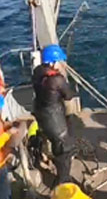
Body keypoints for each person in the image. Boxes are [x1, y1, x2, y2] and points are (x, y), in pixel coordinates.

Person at [32, 44, 77, 185]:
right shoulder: (57, 79)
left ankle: (42, 155)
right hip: (54, 117)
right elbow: (68, 95)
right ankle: (63, 181)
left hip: (40, 112)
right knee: (64, 149)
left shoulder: (38, 71)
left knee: (49, 138)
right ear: (53, 62)